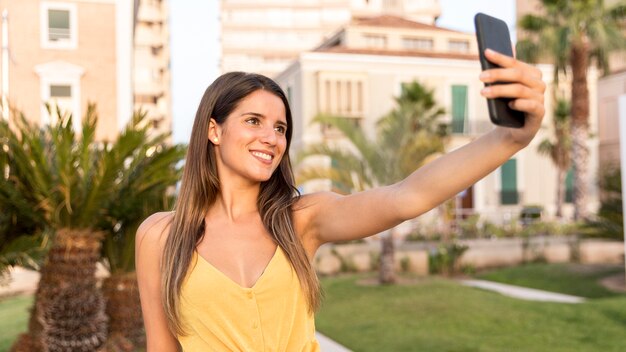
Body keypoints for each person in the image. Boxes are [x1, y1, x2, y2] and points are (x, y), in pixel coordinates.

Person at [136, 48, 546, 351]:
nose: (271, 138)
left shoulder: (301, 220)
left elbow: (406, 197)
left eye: (280, 128)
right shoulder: (159, 236)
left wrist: (510, 138)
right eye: (253, 121)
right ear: (213, 130)